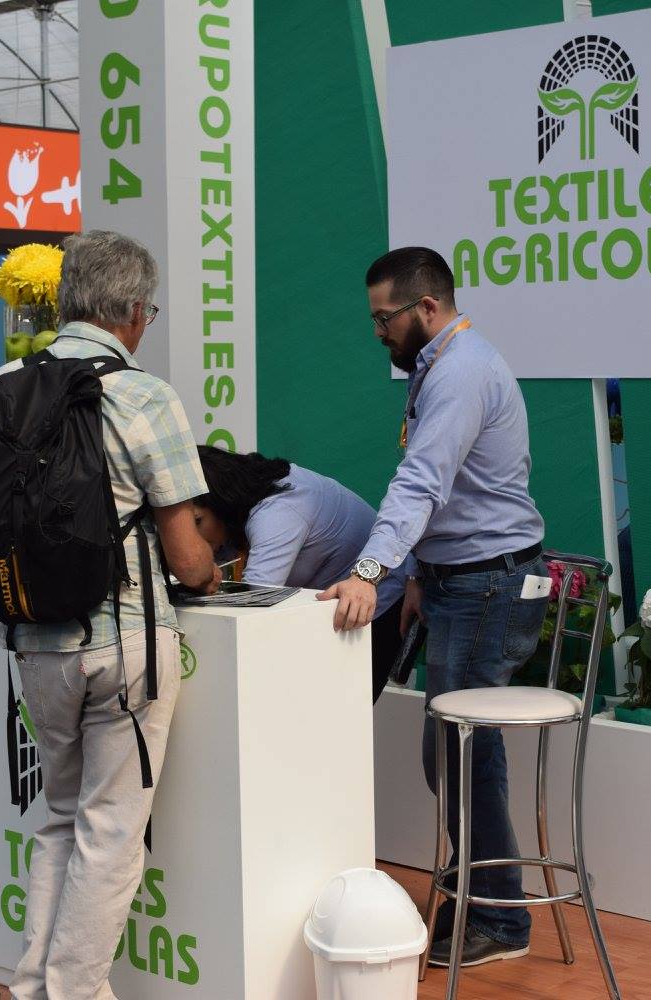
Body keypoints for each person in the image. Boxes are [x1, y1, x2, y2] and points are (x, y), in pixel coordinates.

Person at [0, 230, 220, 1000]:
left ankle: (32, 988)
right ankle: (74, 993)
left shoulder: (2, 386)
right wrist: (209, 571)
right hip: (126, 643)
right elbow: (186, 559)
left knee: (59, 817)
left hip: (36, 643)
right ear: (134, 310)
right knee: (110, 836)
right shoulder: (146, 396)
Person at [320, 246, 548, 968]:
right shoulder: (439, 366)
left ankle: (500, 917)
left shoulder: (460, 371)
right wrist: (416, 570)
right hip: (461, 582)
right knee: (456, 753)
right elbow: (443, 492)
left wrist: (369, 571)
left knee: (460, 754)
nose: (378, 332)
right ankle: (481, 897)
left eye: (384, 318)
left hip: (486, 587)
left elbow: (421, 482)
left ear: (426, 307)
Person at [191, 446, 415, 702]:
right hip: (332, 610)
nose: (191, 537)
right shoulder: (254, 501)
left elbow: (253, 603)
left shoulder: (278, 510)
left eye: (197, 521)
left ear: (221, 500)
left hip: (375, 605)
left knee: (338, 713)